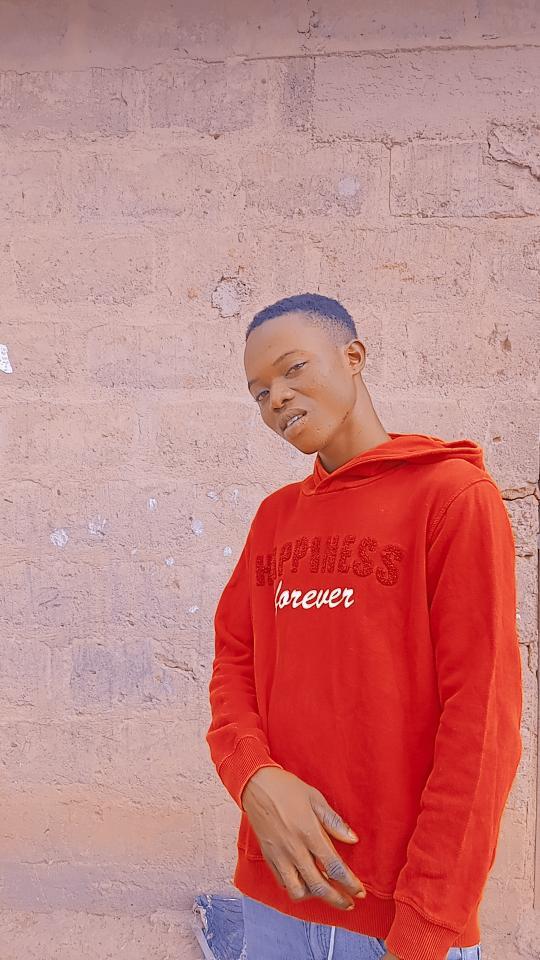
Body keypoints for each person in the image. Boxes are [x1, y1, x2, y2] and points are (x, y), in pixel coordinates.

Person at [205, 293, 523, 960]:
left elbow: (481, 725)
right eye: (259, 392)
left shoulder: (451, 498)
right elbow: (234, 658)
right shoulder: (275, 519)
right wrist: (251, 775)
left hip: (393, 919)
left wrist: (426, 926)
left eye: (293, 368)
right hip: (273, 898)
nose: (277, 399)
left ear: (353, 357)